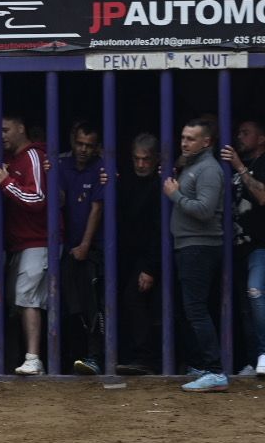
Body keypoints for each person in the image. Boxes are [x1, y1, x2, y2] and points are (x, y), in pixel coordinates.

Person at [166, 119, 227, 392]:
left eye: (191, 138)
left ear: (207, 142)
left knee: (197, 310)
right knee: (192, 309)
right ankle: (203, 366)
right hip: (188, 245)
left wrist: (175, 195)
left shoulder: (209, 169)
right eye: (183, 137)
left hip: (200, 247)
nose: (184, 142)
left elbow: (205, 210)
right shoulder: (191, 166)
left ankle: (215, 371)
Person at [0, 114, 48, 376]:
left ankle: (34, 358)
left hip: (38, 240)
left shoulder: (32, 157)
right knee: (18, 301)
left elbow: (37, 198)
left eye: (5, 130)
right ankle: (24, 357)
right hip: (18, 244)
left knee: (28, 297)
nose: (1, 136)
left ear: (21, 128)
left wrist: (5, 182)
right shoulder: (12, 160)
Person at [221, 120, 265, 378]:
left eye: (245, 133)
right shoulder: (230, 165)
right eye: (238, 132)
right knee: (244, 305)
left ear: (262, 138)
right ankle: (252, 359)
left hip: (263, 244)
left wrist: (239, 167)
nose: (239, 137)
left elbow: (264, 196)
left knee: (256, 291)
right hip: (236, 246)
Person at [59, 123, 106, 375]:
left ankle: (95, 357)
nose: (84, 150)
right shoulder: (63, 167)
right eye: (80, 143)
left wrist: (86, 245)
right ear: (72, 141)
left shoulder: (100, 168)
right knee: (70, 305)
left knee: (92, 304)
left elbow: (97, 208)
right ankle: (73, 357)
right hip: (67, 248)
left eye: (89, 145)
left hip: (92, 249)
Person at [116, 133, 163, 374]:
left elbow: (159, 230)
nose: (141, 164)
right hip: (126, 255)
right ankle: (133, 356)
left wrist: (149, 267)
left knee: (134, 300)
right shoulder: (125, 180)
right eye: (137, 159)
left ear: (157, 159)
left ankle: (147, 358)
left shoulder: (159, 184)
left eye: (146, 159)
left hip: (150, 257)